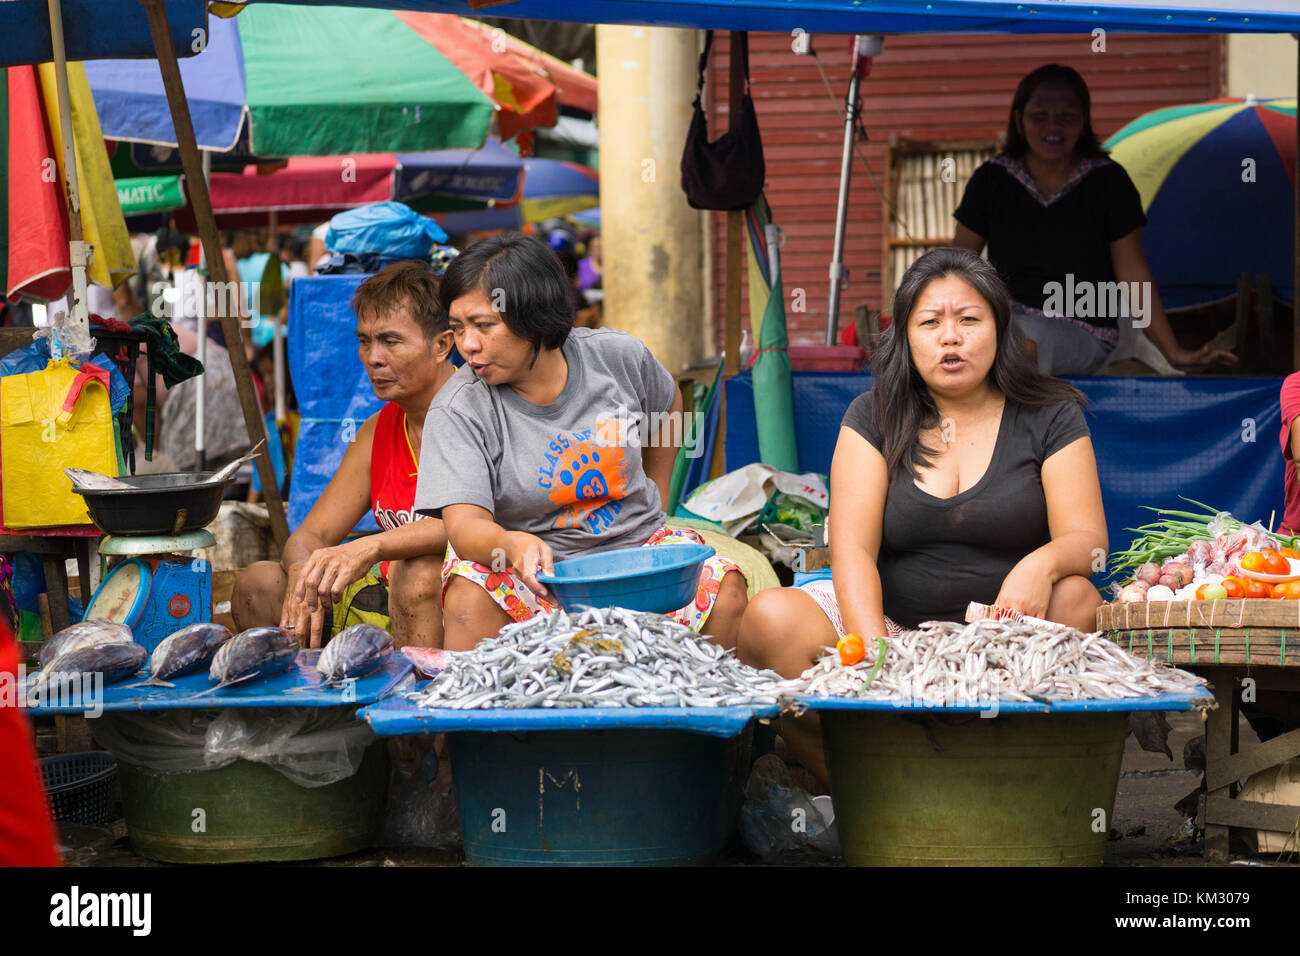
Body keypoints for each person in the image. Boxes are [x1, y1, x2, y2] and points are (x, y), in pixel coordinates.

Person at [738, 248, 1109, 786]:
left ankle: (995, 777)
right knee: (768, 617)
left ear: (1000, 330)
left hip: (1004, 643)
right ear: (907, 338)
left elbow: (1089, 541)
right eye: (930, 322)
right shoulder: (872, 416)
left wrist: (1043, 564)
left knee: (1078, 597)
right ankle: (870, 793)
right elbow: (852, 551)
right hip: (891, 629)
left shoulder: (1051, 414)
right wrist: (878, 660)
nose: (950, 337)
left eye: (969, 320)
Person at [413, 233, 748, 650]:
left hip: (636, 554)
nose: (468, 345)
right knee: (469, 597)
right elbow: (464, 528)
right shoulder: (459, 409)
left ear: (533, 316)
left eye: (484, 326)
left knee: (724, 587)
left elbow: (668, 408)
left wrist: (657, 496)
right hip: (534, 575)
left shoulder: (618, 357)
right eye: (458, 328)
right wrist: (510, 543)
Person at [952, 64, 1236, 377]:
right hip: (1005, 323)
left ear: (1084, 123)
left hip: (1084, 330)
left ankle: (1012, 426)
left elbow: (1133, 272)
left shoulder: (1108, 182)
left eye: (1068, 117)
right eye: (1040, 114)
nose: (1053, 126)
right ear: (1019, 121)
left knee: (1020, 343)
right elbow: (960, 265)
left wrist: (1172, 352)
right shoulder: (991, 180)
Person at [232, 261, 455, 649]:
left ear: (442, 345)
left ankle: (417, 705)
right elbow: (311, 535)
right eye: (365, 341)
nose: (373, 358)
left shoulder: (477, 414)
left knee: (417, 572)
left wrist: (372, 546)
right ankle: (305, 709)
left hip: (462, 599)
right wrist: (304, 575)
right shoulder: (377, 431)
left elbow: (463, 525)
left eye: (391, 341)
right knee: (259, 583)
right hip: (388, 593)